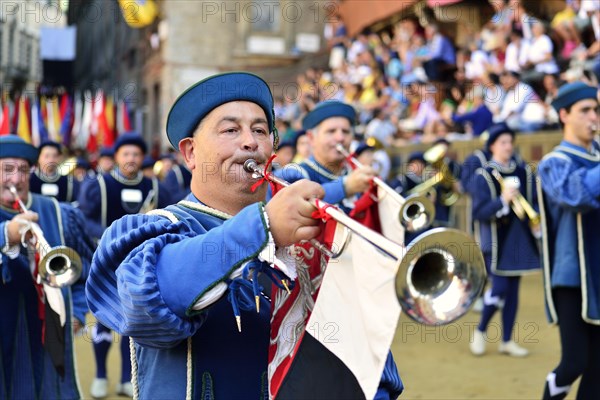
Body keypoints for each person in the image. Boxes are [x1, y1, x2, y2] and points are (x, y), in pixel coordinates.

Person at [85, 72, 402, 398]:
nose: (250, 141)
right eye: (231, 130)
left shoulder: (318, 239)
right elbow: (150, 298)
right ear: (191, 153)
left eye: (261, 130)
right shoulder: (154, 229)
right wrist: (264, 228)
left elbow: (367, 366)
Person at [0, 135, 94, 399]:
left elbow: (85, 269)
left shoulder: (57, 211)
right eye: (7, 170)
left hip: (49, 331)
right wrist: (7, 234)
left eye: (23, 170)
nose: (16, 180)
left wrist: (76, 312)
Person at [79, 132, 171, 398]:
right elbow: (86, 219)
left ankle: (125, 378)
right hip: (108, 263)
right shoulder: (100, 184)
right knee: (105, 322)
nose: (131, 159)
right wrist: (113, 237)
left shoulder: (154, 188)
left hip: (142, 267)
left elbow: (168, 219)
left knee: (132, 324)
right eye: (126, 154)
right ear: (117, 157)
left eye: (136, 155)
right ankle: (99, 375)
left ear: (142, 158)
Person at [537, 81, 600, 399]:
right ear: (564, 115)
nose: (594, 117)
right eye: (585, 110)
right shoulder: (554, 162)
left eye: (596, 110)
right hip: (574, 278)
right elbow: (576, 194)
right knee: (575, 361)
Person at [469, 123, 541, 357]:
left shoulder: (522, 171)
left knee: (514, 292)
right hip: (495, 241)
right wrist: (502, 200)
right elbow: (479, 212)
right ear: (492, 146)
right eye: (503, 143)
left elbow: (532, 203)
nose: (508, 146)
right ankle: (480, 331)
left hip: (518, 238)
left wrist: (536, 222)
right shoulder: (485, 175)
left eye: (510, 142)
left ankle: (507, 340)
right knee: (499, 288)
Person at [275, 100, 376, 214]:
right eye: (331, 131)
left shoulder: (353, 172)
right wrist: (345, 187)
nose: (340, 138)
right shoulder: (294, 173)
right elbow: (292, 208)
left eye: (346, 131)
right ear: (311, 138)